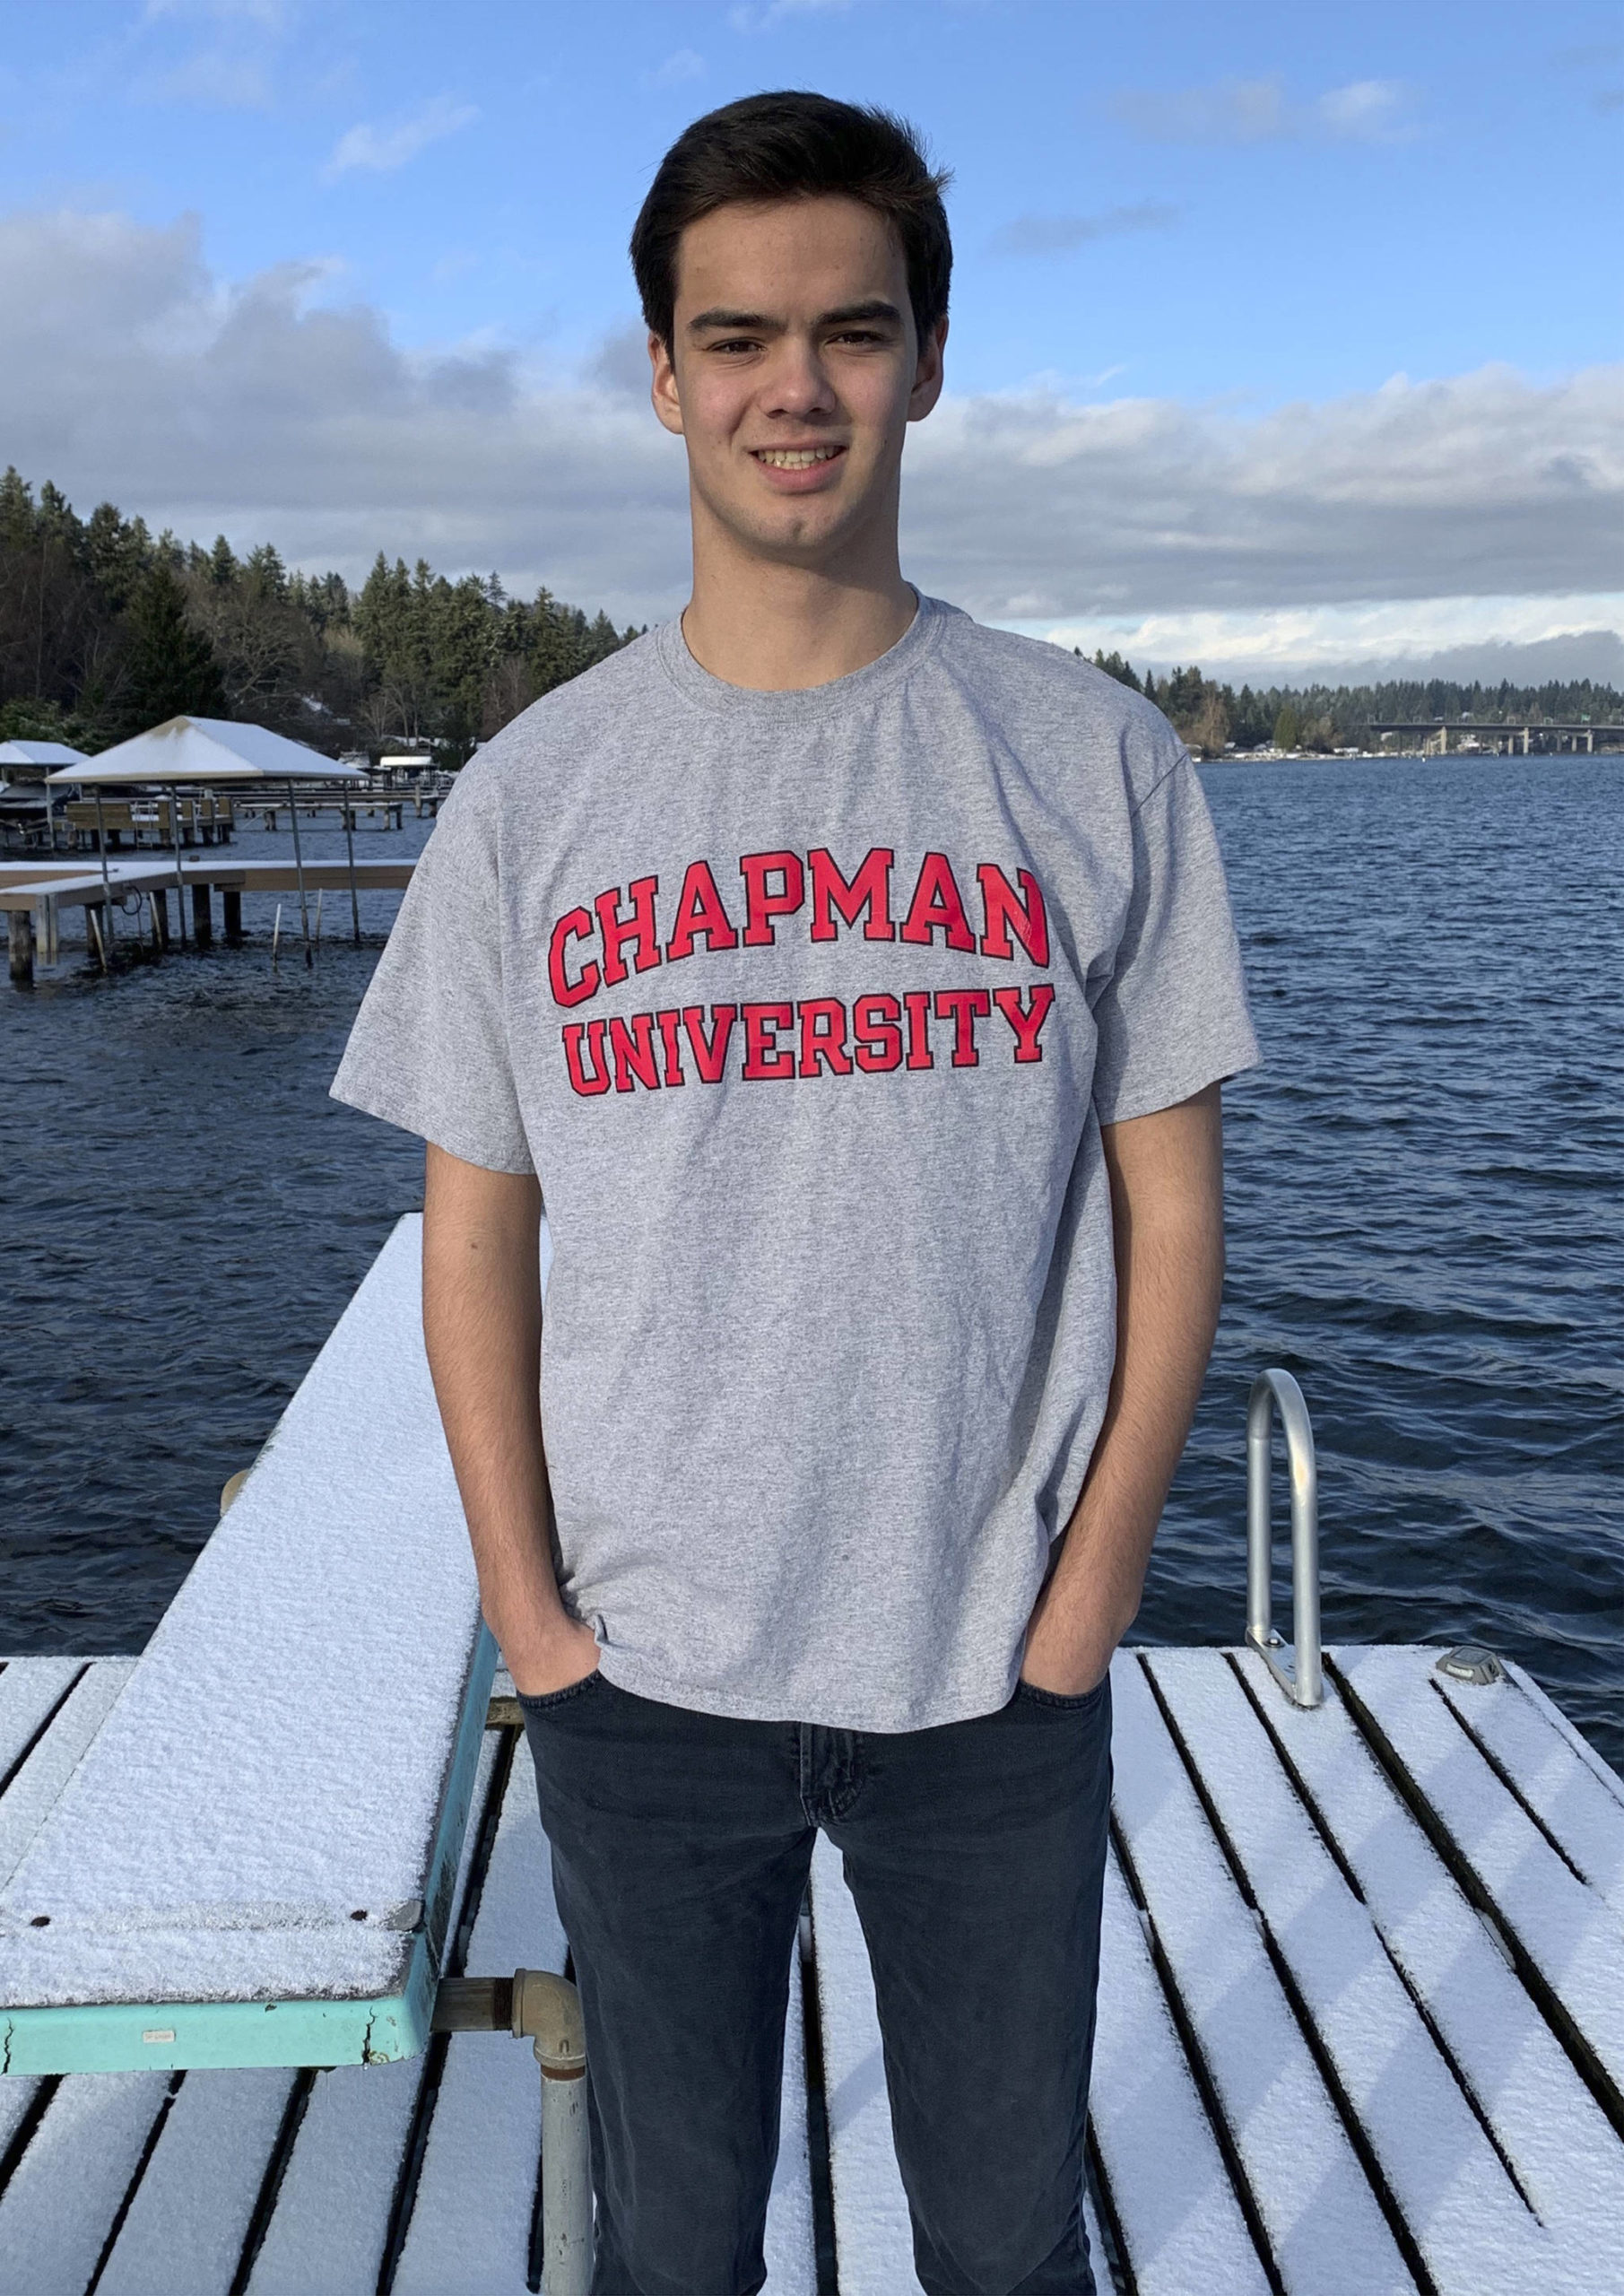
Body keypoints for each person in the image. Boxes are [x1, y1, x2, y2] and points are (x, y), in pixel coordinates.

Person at [333, 90, 1258, 2296]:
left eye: (851, 328)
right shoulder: (533, 793)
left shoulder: (1087, 754)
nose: (796, 387)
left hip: (992, 1666)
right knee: (672, 2251)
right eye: (737, 337)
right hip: (645, 1674)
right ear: (662, 373)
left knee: (1004, 2242)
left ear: (929, 357)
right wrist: (536, 1623)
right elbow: (475, 1245)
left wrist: (1090, 1589)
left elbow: (1177, 1221)